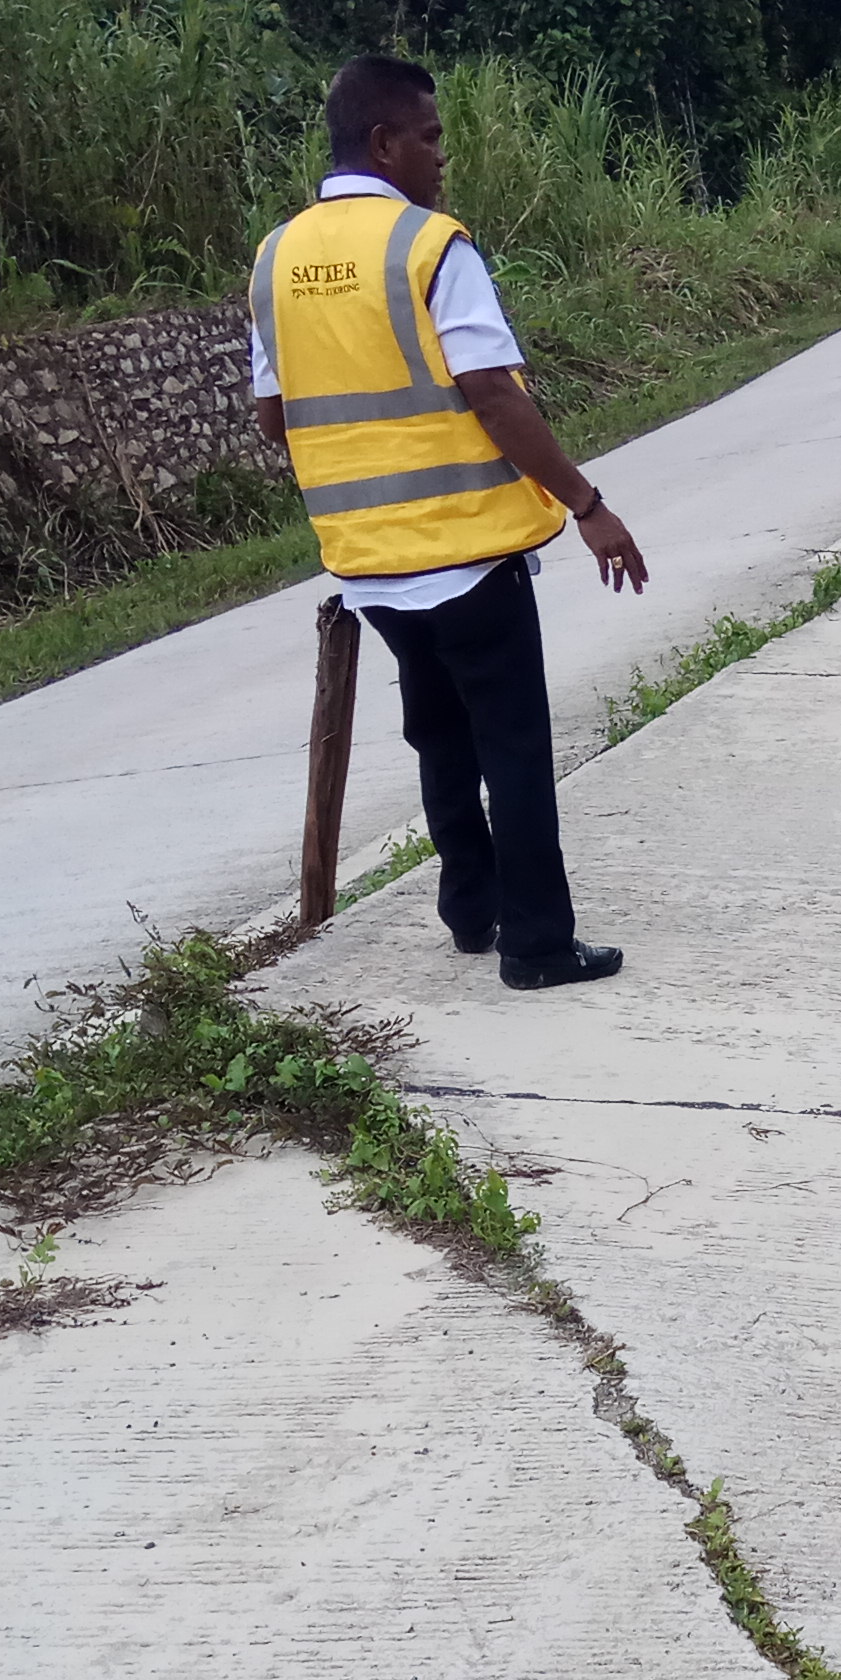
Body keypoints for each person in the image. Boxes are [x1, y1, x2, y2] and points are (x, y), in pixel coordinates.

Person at [251, 55, 647, 990]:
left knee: (438, 735)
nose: (441, 156)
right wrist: (588, 507)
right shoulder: (429, 245)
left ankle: (471, 911)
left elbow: (275, 415)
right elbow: (494, 397)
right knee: (510, 745)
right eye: (429, 138)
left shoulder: (276, 258)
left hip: (369, 567)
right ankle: (539, 946)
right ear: (383, 143)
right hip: (469, 553)